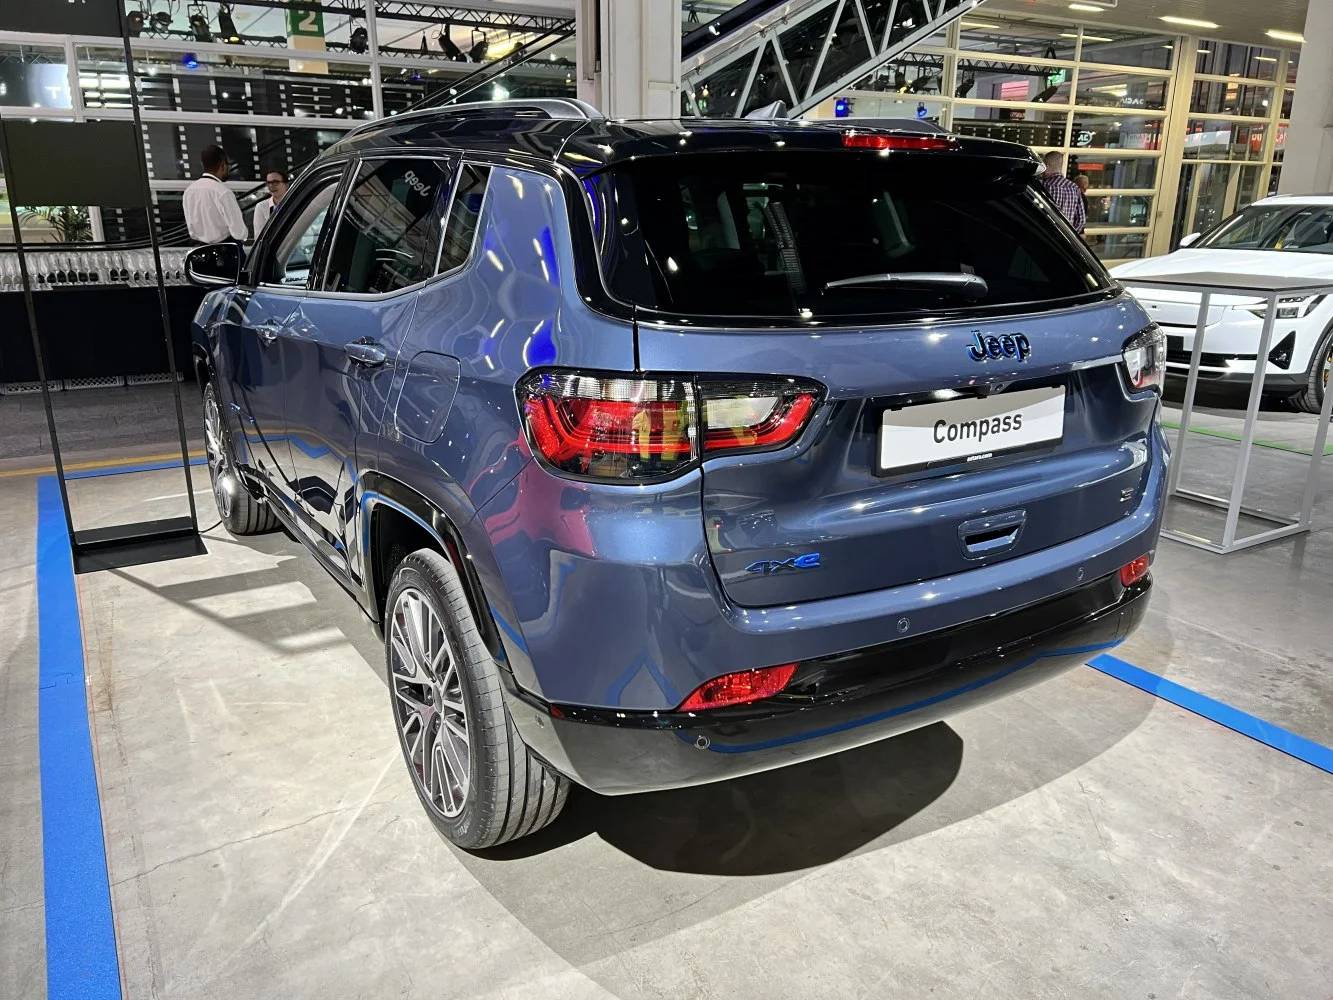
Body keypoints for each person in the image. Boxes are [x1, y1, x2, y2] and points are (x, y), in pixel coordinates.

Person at [182, 144, 247, 244]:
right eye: (228, 165)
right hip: (227, 248)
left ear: (203, 165)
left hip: (201, 248)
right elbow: (239, 232)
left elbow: (192, 232)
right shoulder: (223, 192)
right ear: (223, 166)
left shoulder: (189, 192)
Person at [1040, 151, 1086, 235]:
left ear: (1047, 166)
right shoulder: (1074, 188)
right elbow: (1081, 220)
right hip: (1063, 239)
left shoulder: (1045, 186)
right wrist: (1069, 235)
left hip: (1046, 236)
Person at [251, 170, 289, 240]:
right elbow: (258, 236)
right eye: (269, 183)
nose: (271, 186)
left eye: (275, 182)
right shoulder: (261, 207)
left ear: (286, 185)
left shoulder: (295, 203)